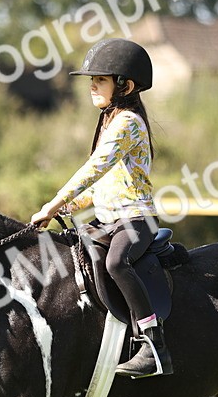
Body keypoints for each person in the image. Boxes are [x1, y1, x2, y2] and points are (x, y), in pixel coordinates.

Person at [30, 38, 172, 378]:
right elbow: (99, 189)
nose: (92, 85)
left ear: (126, 86)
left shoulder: (128, 122)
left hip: (136, 221)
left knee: (117, 263)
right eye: (92, 80)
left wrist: (53, 203)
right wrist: (66, 209)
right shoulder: (110, 122)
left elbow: (93, 169)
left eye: (101, 79)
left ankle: (153, 345)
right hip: (108, 220)